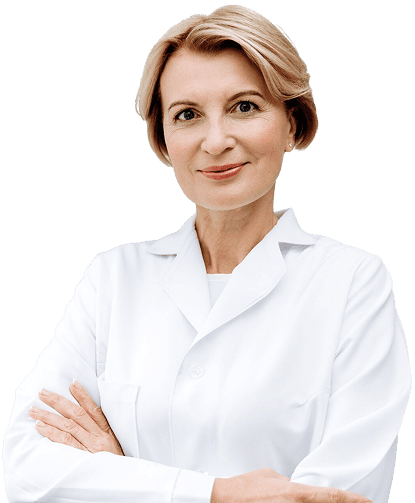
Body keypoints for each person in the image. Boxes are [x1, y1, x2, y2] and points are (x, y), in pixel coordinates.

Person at [2, 4, 411, 503]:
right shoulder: (114, 278)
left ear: (291, 123)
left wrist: (119, 475)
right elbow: (28, 469)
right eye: (187, 115)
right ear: (163, 139)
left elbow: (332, 497)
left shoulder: (352, 282)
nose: (216, 141)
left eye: (245, 107)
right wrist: (214, 493)